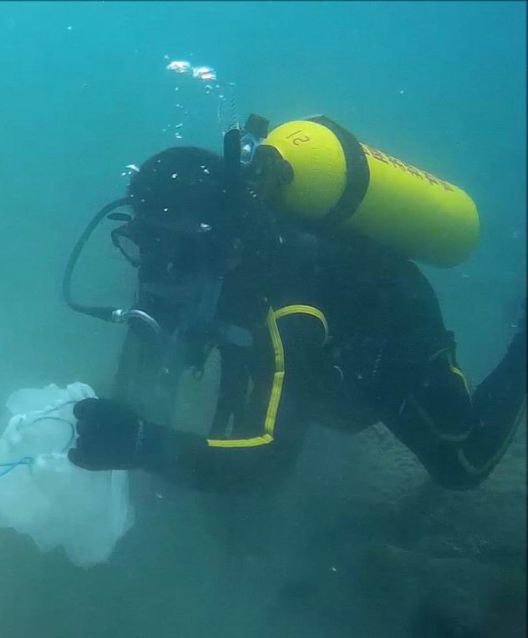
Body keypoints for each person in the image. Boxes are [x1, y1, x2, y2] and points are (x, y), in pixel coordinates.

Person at [66, 143, 525, 492]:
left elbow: (267, 466)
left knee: (462, 466)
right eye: (143, 241)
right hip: (309, 352)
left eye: (168, 246)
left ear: (225, 248)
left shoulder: (288, 307)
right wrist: (112, 426)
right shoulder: (179, 267)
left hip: (393, 324)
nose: (153, 266)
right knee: (297, 403)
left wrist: (143, 445)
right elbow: (139, 381)